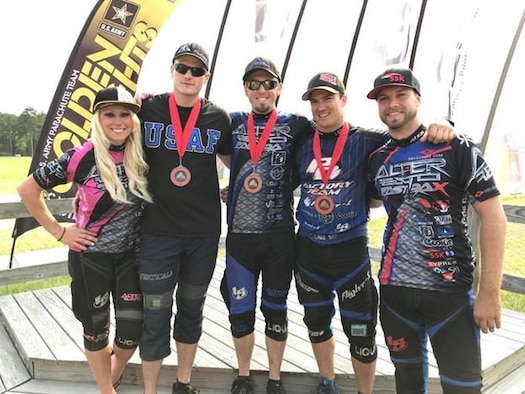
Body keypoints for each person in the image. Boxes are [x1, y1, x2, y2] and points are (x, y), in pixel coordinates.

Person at [295, 72, 455, 394]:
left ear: (343, 99)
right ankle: (327, 382)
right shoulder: (300, 142)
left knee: (361, 334)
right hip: (308, 252)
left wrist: (442, 124)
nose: (321, 107)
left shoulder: (369, 140)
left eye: (328, 98)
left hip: (350, 253)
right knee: (315, 326)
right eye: (315, 101)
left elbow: (407, 132)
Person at [366, 67, 507, 393]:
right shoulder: (377, 157)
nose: (392, 104)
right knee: (408, 385)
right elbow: (373, 200)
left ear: (418, 98)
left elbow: (494, 217)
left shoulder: (457, 147)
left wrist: (489, 292)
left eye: (401, 95)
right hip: (393, 293)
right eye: (384, 98)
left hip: (449, 294)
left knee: (462, 387)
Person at [17, 86, 152, 394]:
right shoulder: (81, 156)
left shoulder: (143, 153)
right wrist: (60, 231)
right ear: (97, 118)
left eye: (125, 114)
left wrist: (147, 100)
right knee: (96, 330)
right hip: (90, 259)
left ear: (134, 119)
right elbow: (28, 189)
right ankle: (106, 389)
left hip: (130, 258)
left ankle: (112, 374)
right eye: (109, 114)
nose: (118, 121)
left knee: (131, 332)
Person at [136, 42, 231, 394]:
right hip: (157, 230)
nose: (188, 75)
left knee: (192, 309)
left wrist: (236, 188)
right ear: (172, 70)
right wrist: (128, 103)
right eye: (182, 68)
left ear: (206, 76)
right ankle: (149, 389)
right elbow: (110, 131)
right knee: (156, 312)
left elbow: (234, 160)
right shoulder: (147, 108)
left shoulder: (218, 117)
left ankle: (183, 383)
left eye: (196, 70)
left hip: (202, 234)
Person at [218, 56, 312, 394]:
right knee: (240, 312)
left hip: (279, 238)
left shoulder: (297, 124)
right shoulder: (232, 122)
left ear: (279, 88)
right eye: (254, 84)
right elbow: (223, 154)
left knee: (276, 310)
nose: (261, 89)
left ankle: (274, 378)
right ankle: (244, 376)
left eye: (268, 83)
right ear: (245, 89)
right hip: (240, 240)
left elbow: (340, 131)